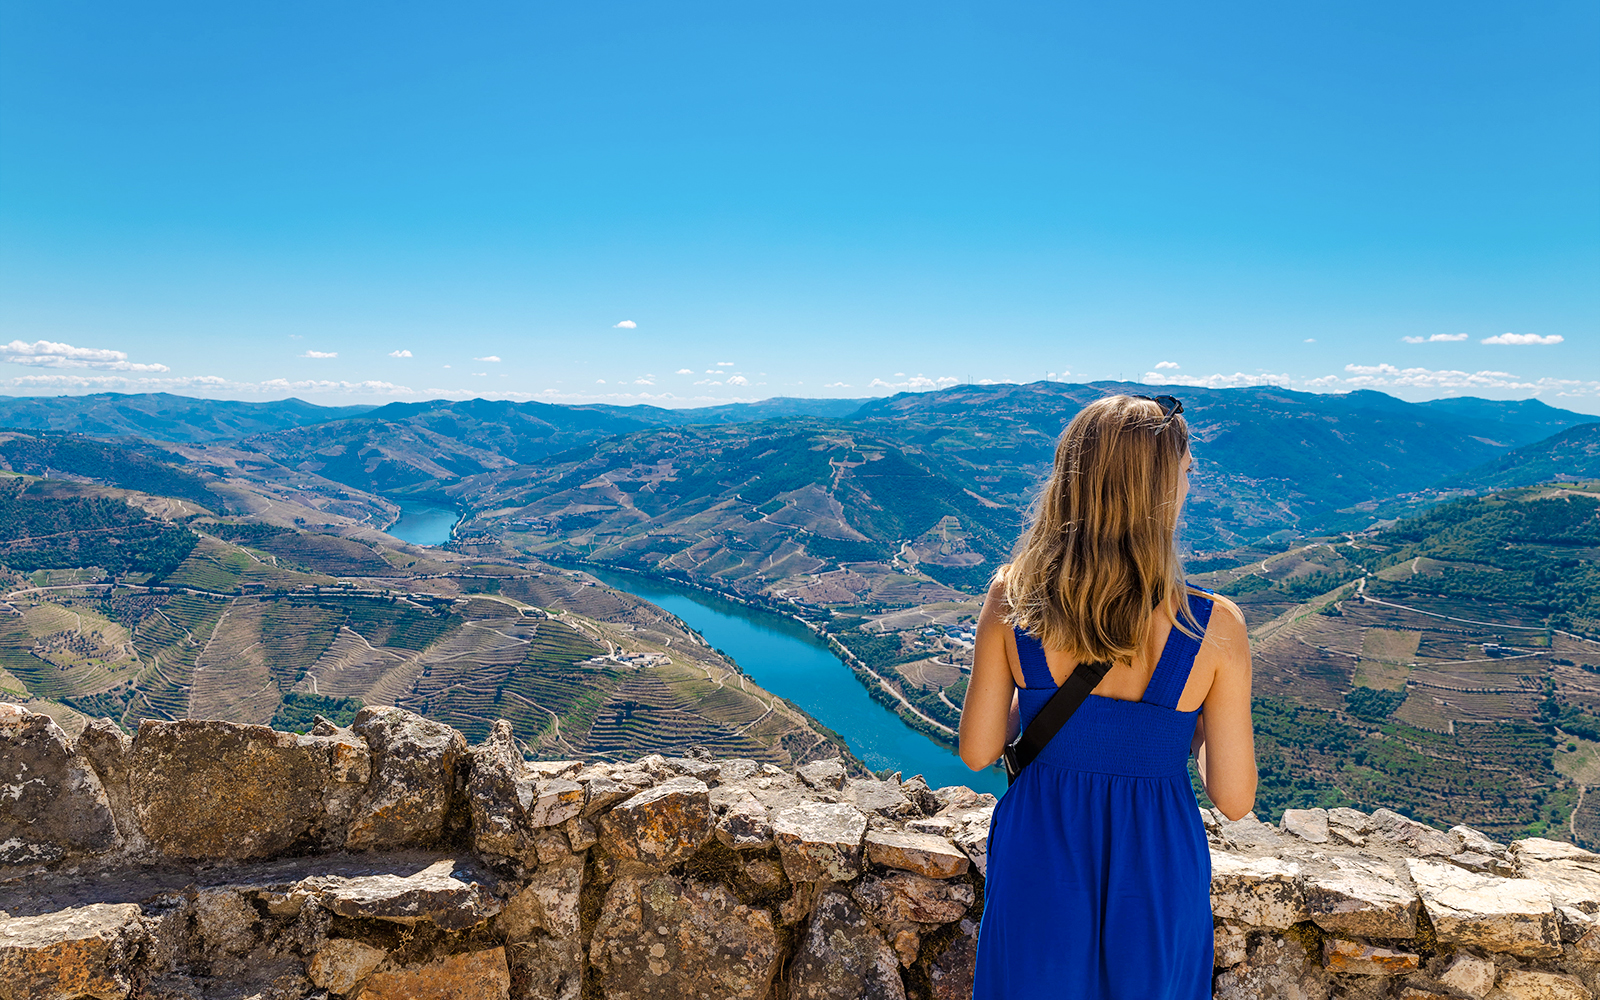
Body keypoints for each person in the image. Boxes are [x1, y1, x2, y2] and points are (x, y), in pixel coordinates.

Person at [959, 393, 1257, 1000]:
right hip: (1157, 859)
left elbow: (977, 750)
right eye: (1186, 474)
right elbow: (1233, 797)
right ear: (1160, 492)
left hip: (1040, 846)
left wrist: (1054, 714)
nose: (1189, 486)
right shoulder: (1213, 626)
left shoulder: (1012, 600)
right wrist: (1177, 730)